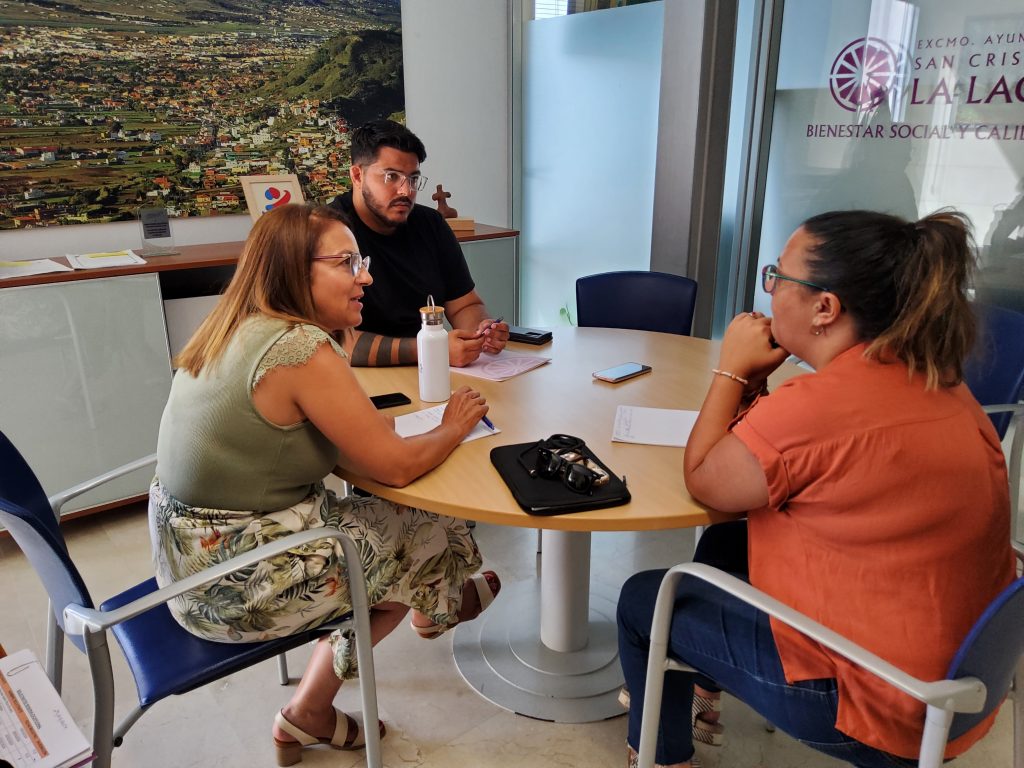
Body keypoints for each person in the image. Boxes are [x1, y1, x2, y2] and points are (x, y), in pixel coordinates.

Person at [617, 209, 1016, 768]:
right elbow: (764, 473)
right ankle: (703, 698)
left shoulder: (819, 404)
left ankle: (662, 756)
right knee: (728, 546)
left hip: (876, 702)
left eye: (778, 276)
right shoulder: (938, 382)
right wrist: (755, 386)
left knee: (643, 599)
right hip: (954, 684)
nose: (771, 289)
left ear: (825, 307)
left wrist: (730, 371)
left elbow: (706, 477)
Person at [149, 203, 502, 767]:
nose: (366, 276)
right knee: (423, 531)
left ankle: (438, 599)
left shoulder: (240, 323)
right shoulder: (299, 349)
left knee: (401, 523)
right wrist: (454, 425)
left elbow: (347, 433)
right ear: (295, 270)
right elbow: (396, 468)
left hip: (188, 557)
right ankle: (424, 615)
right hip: (235, 585)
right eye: (347, 263)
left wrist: (344, 341)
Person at [329, 118, 509, 367]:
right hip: (359, 379)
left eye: (413, 179)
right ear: (357, 175)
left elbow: (464, 305)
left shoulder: (431, 224)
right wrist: (431, 349)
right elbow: (335, 342)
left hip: (428, 373)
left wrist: (482, 331)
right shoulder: (329, 232)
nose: (406, 191)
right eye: (391, 176)